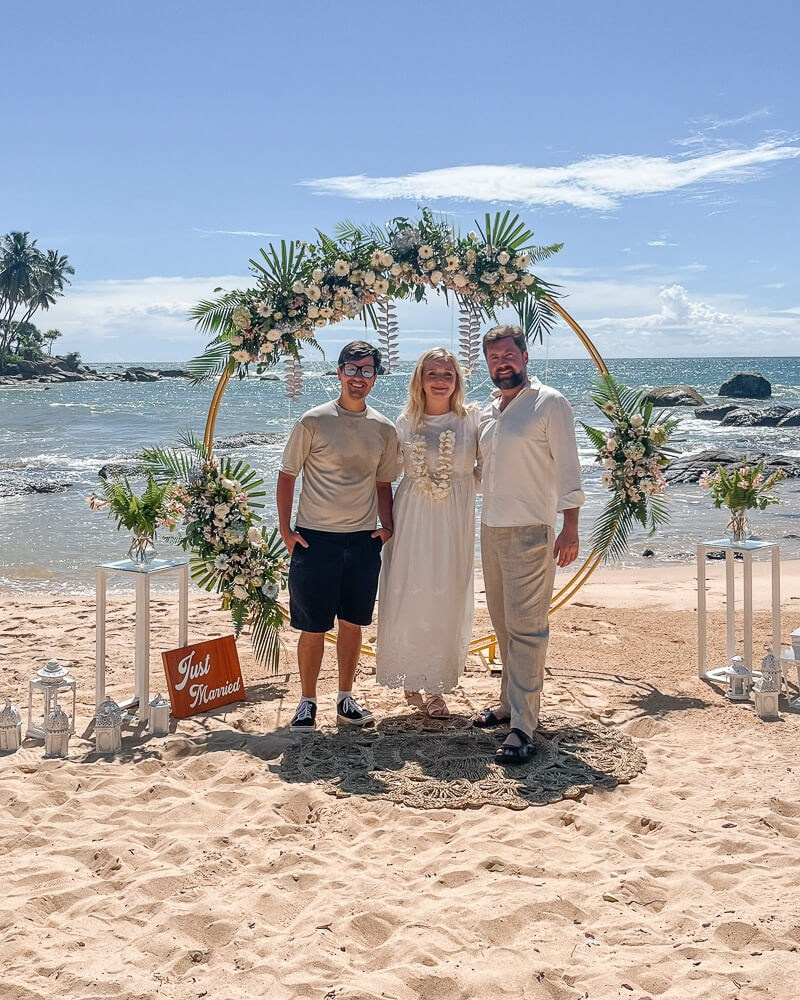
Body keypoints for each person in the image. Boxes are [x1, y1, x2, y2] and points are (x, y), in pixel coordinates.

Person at [475, 325, 585, 765]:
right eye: (494, 357)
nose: (502, 362)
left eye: (508, 354)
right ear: (487, 363)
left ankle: (524, 724)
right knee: (503, 624)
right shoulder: (488, 410)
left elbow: (568, 467)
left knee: (528, 629)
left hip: (531, 529)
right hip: (491, 527)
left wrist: (570, 525)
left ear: (524, 355)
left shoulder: (549, 403)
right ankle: (508, 704)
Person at [277, 341, 399, 733]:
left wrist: (388, 526)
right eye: (352, 368)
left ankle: (345, 698)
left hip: (362, 541)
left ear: (376, 376)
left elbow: (384, 482)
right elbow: (287, 475)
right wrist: (285, 529)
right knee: (313, 628)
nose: (359, 377)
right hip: (315, 541)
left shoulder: (384, 428)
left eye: (367, 370)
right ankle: (307, 702)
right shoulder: (312, 420)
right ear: (339, 371)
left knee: (352, 624)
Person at [376, 348, 481, 717]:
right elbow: (382, 476)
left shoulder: (472, 420)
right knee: (411, 591)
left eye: (447, 374)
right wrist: (384, 524)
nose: (440, 380)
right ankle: (410, 674)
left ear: (457, 381)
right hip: (413, 516)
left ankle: (437, 686)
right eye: (432, 373)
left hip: (454, 517)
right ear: (419, 379)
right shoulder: (405, 422)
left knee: (447, 593)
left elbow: (491, 468)